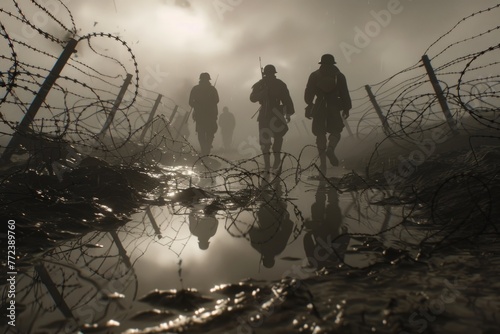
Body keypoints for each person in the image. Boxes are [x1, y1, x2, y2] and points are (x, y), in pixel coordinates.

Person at [304, 54, 352, 172]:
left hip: (319, 107)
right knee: (336, 130)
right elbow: (345, 93)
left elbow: (308, 96)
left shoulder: (314, 75)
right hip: (334, 106)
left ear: (321, 63)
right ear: (333, 63)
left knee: (320, 134)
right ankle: (331, 148)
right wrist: (347, 108)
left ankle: (323, 164)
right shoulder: (339, 76)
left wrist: (310, 104)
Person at [250, 64, 295, 172]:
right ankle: (267, 165)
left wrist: (288, 113)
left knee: (277, 138)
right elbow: (252, 98)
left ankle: (276, 159)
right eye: (268, 74)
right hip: (265, 114)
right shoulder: (260, 84)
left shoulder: (279, 84)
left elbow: (286, 100)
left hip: (276, 114)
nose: (270, 76)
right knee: (265, 141)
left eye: (271, 74)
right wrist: (262, 93)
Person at [189, 72, 219, 156]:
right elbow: (216, 100)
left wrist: (198, 106)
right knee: (208, 133)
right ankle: (206, 149)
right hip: (209, 115)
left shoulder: (195, 89)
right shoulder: (212, 89)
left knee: (202, 133)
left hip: (201, 115)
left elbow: (191, 102)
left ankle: (205, 149)